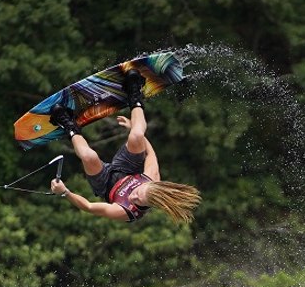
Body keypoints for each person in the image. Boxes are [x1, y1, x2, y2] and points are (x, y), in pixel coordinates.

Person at [48, 70, 201, 223]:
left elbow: (89, 207)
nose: (133, 196)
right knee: (137, 136)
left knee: (89, 157)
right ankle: (134, 92)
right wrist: (132, 127)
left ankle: (68, 125)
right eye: (138, 192)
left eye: (139, 200)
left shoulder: (126, 211)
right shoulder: (152, 178)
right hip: (128, 169)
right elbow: (150, 155)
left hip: (105, 183)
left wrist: (65, 192)